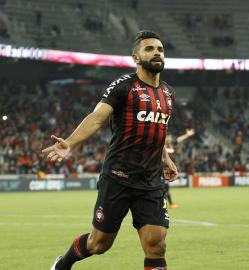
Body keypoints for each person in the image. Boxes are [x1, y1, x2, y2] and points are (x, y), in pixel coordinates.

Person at [43, 30, 178, 270]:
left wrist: (166, 158)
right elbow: (96, 118)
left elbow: (157, 129)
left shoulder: (167, 93)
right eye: (149, 49)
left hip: (150, 181)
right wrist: (70, 143)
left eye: (160, 49)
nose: (157, 53)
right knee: (99, 244)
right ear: (136, 58)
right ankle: (62, 264)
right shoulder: (123, 87)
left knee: (156, 243)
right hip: (119, 178)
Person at [164, 128, 195, 208]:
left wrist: (187, 135)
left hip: (168, 168)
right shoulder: (162, 145)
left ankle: (168, 204)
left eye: (170, 137)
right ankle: (168, 204)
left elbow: (179, 139)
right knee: (164, 187)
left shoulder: (171, 145)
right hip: (162, 168)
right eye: (168, 137)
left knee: (166, 188)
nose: (169, 138)